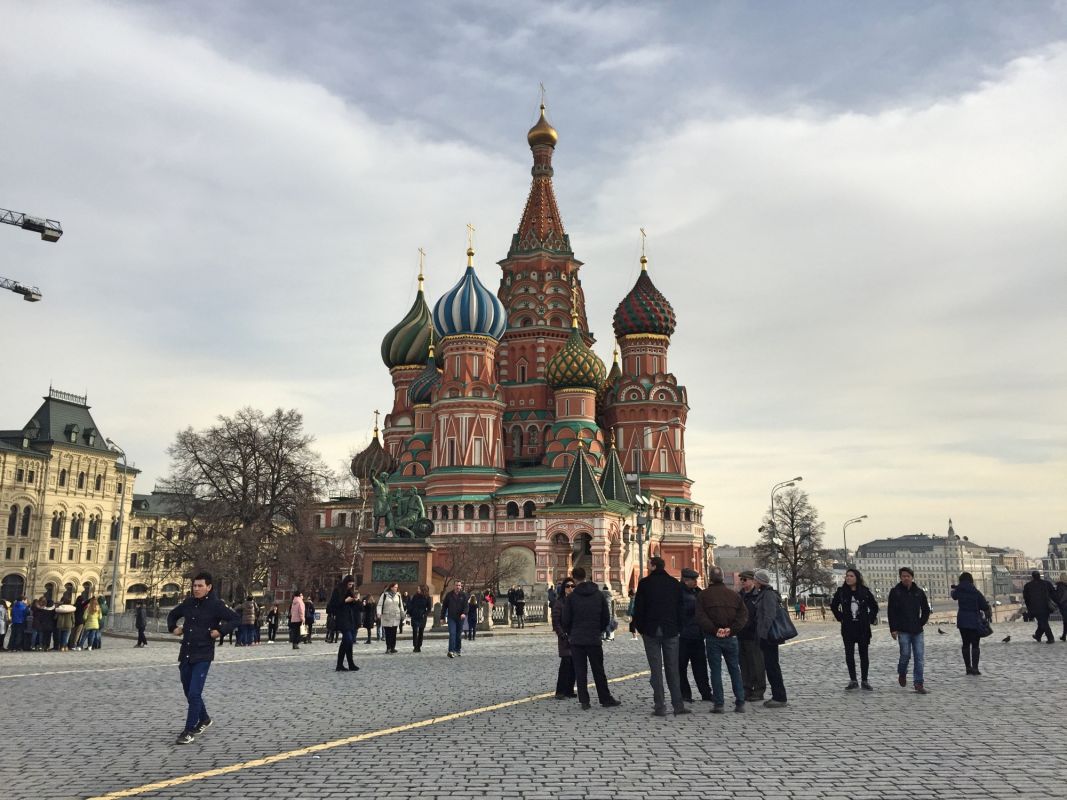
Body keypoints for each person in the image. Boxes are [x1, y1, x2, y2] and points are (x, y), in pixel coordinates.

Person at [167, 572, 240, 745]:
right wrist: (173, 627)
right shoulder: (188, 603)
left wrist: (220, 631)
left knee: (194, 692)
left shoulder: (216, 605)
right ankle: (204, 719)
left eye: (200, 586)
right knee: (189, 692)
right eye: (194, 585)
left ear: (209, 587)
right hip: (186, 653)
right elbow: (172, 615)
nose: (196, 589)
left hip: (203, 654)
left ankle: (188, 730)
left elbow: (236, 619)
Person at [632, 556, 688, 717]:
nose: (648, 566)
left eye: (649, 564)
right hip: (671, 630)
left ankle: (660, 706)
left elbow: (639, 608)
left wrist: (640, 627)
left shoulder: (645, 583)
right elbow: (680, 608)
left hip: (651, 630)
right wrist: (679, 627)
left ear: (654, 566)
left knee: (656, 670)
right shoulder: (674, 583)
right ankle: (678, 704)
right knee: (672, 668)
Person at [562, 567, 621, 710]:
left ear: (574, 578)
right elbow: (605, 617)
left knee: (581, 670)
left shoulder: (571, 598)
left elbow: (566, 619)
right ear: (587, 576)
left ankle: (584, 700)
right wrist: (599, 630)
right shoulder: (598, 595)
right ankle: (605, 698)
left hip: (577, 639)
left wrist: (571, 632)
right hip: (594, 638)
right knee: (598, 669)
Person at [694, 566, 748, 713]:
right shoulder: (734, 595)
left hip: (713, 637)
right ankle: (740, 702)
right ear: (723, 578)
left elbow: (700, 617)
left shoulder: (703, 596)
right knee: (735, 670)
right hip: (731, 637)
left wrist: (714, 629)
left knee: (715, 671)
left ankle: (719, 704)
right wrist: (732, 629)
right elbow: (743, 615)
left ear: (710, 578)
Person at [830, 568, 879, 690]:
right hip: (848, 628)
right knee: (849, 654)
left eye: (851, 576)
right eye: (847, 576)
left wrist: (869, 618)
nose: (848, 578)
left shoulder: (864, 592)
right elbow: (834, 606)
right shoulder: (841, 592)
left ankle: (864, 680)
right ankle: (853, 680)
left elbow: (874, 606)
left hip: (862, 628)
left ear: (857, 578)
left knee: (864, 654)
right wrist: (840, 617)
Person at [887, 567, 931, 694]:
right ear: (900, 577)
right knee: (905, 654)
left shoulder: (919, 592)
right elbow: (891, 612)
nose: (906, 578)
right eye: (903, 576)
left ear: (912, 577)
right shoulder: (895, 592)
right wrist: (893, 629)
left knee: (919, 657)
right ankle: (902, 672)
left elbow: (926, 609)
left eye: (908, 576)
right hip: (902, 630)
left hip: (917, 630)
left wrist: (921, 622)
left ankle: (918, 683)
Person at [753, 569, 789, 708]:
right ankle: (777, 695)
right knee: (771, 666)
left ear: (759, 581)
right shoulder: (765, 593)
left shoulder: (767, 595)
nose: (754, 581)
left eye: (755, 579)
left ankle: (779, 697)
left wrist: (763, 633)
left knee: (772, 666)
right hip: (767, 636)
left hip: (769, 637)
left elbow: (769, 615)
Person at [677, 568, 713, 704]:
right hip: (683, 636)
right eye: (693, 580)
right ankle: (685, 694)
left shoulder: (698, 592)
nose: (696, 582)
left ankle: (706, 693)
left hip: (697, 635)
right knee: (681, 666)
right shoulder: (679, 593)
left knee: (701, 667)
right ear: (686, 580)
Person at [951, 572, 991, 676]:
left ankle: (968, 668)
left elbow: (953, 596)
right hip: (974, 620)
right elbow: (984, 606)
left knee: (965, 644)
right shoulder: (975, 591)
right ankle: (975, 668)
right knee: (975, 645)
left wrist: (956, 588)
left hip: (962, 620)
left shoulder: (959, 590)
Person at [735, 571, 766, 702]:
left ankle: (759, 690)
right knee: (744, 664)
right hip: (741, 635)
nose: (742, 582)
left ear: (752, 581)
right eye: (741, 579)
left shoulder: (757, 595)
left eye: (745, 579)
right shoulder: (738, 596)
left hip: (753, 635)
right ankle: (746, 689)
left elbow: (760, 615)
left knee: (757, 664)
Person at [326, 575, 361, 672]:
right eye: (349, 584)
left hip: (350, 619)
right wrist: (345, 601)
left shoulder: (350, 591)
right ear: (345, 583)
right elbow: (332, 606)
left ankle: (345, 664)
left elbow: (356, 607)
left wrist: (356, 601)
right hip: (341, 619)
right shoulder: (337, 591)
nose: (350, 586)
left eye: (352, 585)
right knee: (348, 640)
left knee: (347, 642)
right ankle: (343, 664)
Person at [551, 578, 577, 699]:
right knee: (565, 664)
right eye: (568, 586)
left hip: (576, 637)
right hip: (565, 637)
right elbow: (556, 621)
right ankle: (560, 691)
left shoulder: (576, 601)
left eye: (573, 586)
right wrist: (562, 634)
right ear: (563, 588)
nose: (570, 588)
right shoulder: (559, 602)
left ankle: (569, 690)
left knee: (574, 665)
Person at [1022, 571, 1057, 643]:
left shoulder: (1028, 586)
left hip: (1034, 607)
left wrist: (1029, 608)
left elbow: (1026, 598)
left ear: (1032, 576)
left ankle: (1050, 638)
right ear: (1039, 576)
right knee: (1043, 622)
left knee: (1043, 622)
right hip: (1046, 607)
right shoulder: (1047, 583)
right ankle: (1038, 635)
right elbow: (1053, 593)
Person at [441, 581, 469, 658]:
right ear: (454, 586)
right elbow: (444, 607)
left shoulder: (463, 595)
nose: (458, 587)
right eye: (456, 585)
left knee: (458, 635)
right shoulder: (449, 595)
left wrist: (464, 613)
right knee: (452, 633)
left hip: (460, 618)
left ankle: (457, 650)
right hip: (451, 618)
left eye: (459, 585)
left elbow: (466, 606)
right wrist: (442, 617)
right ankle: (451, 651)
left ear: (461, 586)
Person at [377, 582, 405, 654]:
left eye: (397, 587)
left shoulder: (398, 595)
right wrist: (379, 613)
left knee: (394, 633)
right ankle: (388, 648)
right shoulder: (384, 595)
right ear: (391, 587)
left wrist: (403, 614)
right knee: (388, 633)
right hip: (387, 616)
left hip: (396, 616)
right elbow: (379, 605)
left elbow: (401, 605)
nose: (396, 588)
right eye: (395, 587)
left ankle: (393, 647)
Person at [407, 585, 432, 652]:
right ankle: (415, 646)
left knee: (421, 632)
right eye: (417, 588)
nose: (417, 590)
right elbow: (411, 605)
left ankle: (419, 646)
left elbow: (429, 608)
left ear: (422, 589)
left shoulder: (427, 597)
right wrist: (410, 612)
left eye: (419, 588)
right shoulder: (415, 596)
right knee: (415, 631)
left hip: (422, 617)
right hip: (415, 616)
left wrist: (425, 614)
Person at [1056, 573, 1067, 642]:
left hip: (1064, 605)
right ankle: (1063, 635)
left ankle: (1064, 635)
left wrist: (1059, 603)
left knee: (1065, 621)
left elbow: (1059, 596)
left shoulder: (1060, 586)